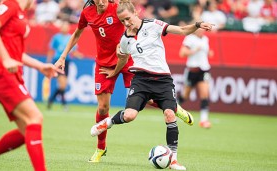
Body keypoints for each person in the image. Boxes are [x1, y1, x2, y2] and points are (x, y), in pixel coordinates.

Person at [90, 0, 214, 170]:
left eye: (128, 18)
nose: (126, 23)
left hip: (163, 80)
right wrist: (113, 72)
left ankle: (174, 160)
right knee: (129, 116)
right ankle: (107, 123)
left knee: (170, 115)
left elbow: (182, 30)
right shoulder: (125, 38)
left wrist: (198, 24)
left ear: (135, 13)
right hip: (141, 80)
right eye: (123, 21)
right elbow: (123, 58)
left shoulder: (153, 25)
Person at [0, 0, 62, 170]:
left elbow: (17, 53)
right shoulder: (11, 4)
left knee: (27, 130)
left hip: (10, 73)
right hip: (0, 73)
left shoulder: (21, 13)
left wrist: (40, 66)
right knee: (35, 117)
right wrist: (5, 58)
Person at [54, 0, 136, 163]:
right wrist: (62, 57)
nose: (101, 1)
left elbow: (134, 21)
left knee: (148, 98)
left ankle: (172, 106)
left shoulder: (117, 7)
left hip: (126, 60)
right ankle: (100, 148)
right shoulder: (87, 12)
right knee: (103, 107)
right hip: (103, 64)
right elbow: (77, 33)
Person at [178, 28, 213, 128]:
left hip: (204, 70)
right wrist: (194, 50)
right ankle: (174, 109)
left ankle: (204, 120)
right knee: (185, 95)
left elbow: (205, 53)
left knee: (205, 94)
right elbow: (182, 53)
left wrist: (209, 53)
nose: (201, 31)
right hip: (192, 70)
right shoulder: (189, 39)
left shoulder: (205, 39)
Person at [47, 21, 83, 110]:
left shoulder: (71, 37)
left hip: (67, 62)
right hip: (58, 61)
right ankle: (64, 104)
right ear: (61, 28)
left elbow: (73, 51)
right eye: (63, 26)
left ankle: (51, 100)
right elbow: (51, 49)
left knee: (63, 85)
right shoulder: (56, 37)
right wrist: (49, 61)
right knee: (62, 85)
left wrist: (78, 55)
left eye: (66, 27)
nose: (65, 28)